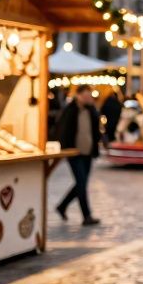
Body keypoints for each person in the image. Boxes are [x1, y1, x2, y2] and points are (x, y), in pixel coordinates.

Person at [56, 89, 102, 226]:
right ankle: (86, 216)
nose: (88, 98)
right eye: (86, 96)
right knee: (81, 183)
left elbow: (95, 130)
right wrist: (65, 147)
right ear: (78, 96)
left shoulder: (91, 110)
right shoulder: (70, 110)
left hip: (88, 152)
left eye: (90, 95)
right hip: (74, 153)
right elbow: (62, 130)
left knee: (81, 184)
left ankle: (62, 206)